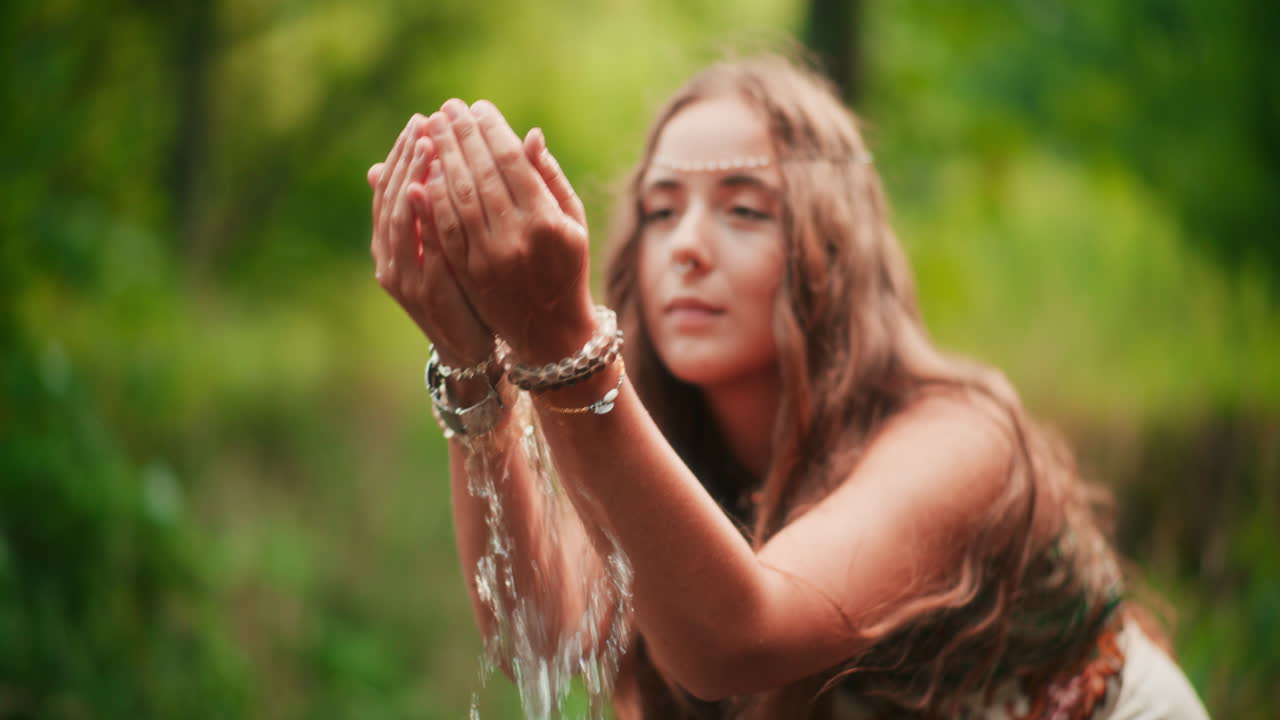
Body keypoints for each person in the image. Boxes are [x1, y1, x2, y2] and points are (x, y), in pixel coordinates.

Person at [367, 55, 1210, 719]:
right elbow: (545, 634)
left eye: (744, 210)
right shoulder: (662, 449)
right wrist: (473, 365)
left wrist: (562, 342)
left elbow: (738, 640)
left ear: (829, 250)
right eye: (661, 210)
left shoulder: (964, 436)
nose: (686, 246)